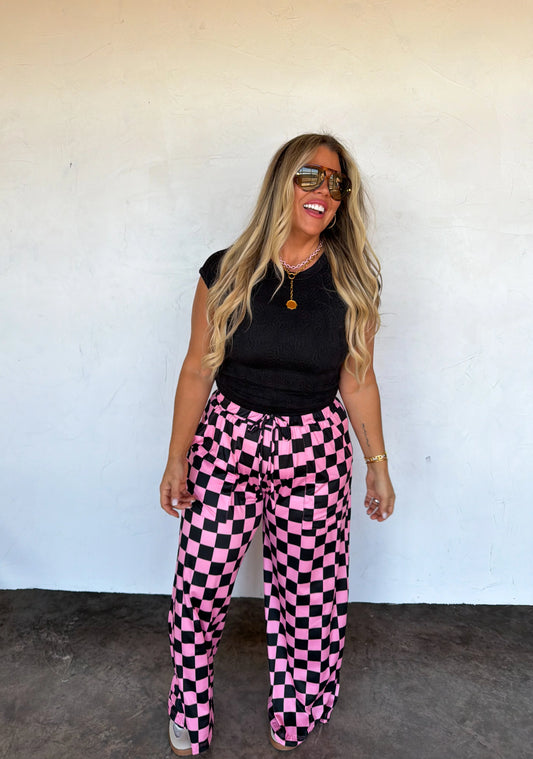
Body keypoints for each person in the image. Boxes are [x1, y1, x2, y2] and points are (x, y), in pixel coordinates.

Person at [160, 132, 396, 756]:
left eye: (337, 183)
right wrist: (177, 456)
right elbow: (197, 368)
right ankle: (189, 702)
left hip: (314, 448)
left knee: (307, 593)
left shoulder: (353, 282)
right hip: (226, 442)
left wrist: (377, 464)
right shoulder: (226, 270)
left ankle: (299, 704)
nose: (325, 191)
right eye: (310, 176)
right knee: (200, 583)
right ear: (281, 184)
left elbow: (358, 379)